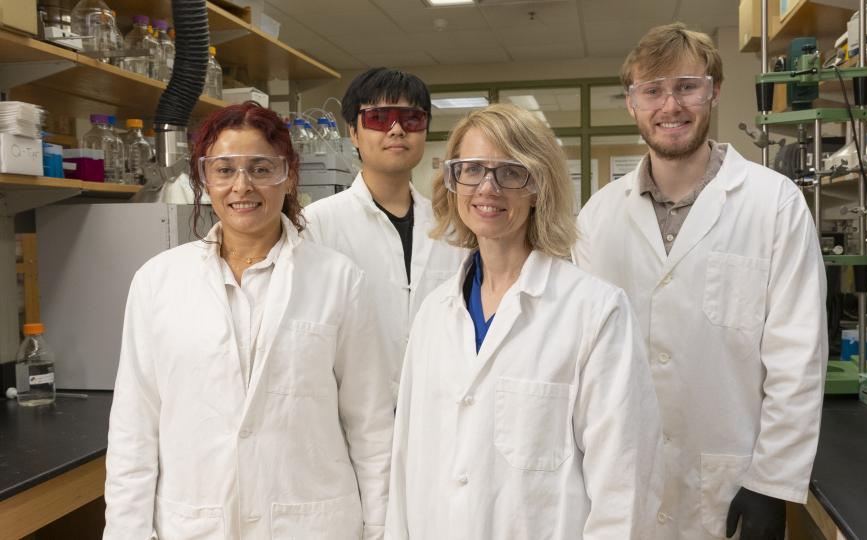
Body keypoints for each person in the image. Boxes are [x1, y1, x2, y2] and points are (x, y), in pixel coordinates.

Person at [573, 23, 827, 540]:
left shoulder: (774, 203)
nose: (671, 105)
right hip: (620, 481)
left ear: (714, 91)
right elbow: (579, 356)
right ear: (632, 102)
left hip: (730, 481)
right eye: (653, 90)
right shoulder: (597, 217)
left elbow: (798, 356)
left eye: (687, 86)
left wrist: (772, 482)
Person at [103, 102, 394, 539]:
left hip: (309, 524)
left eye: (260, 168)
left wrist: (382, 531)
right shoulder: (158, 282)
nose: (242, 186)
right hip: (196, 524)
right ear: (205, 178)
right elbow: (134, 430)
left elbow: (371, 427)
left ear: (288, 175)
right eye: (224, 170)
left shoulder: (339, 280)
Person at [386, 103, 663, 539]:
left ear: (538, 187)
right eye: (472, 170)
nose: (488, 187)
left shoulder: (595, 311)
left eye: (510, 172)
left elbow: (624, 489)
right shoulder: (433, 314)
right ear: (453, 183)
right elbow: (406, 463)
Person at [303, 68, 466, 400]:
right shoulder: (317, 224)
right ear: (353, 133)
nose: (396, 129)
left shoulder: (452, 228)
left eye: (412, 119)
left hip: (438, 404)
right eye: (379, 118)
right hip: (351, 410)